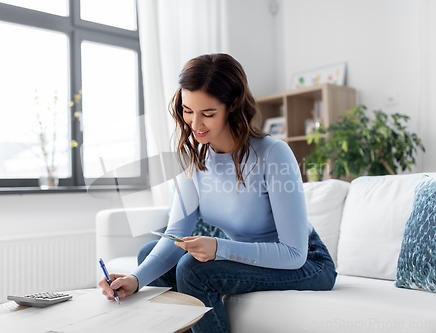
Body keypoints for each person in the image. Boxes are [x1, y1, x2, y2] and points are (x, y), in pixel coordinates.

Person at [99, 53, 337, 333]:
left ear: (232, 108)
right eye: (188, 110)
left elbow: (294, 253)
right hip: (256, 259)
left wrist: (219, 247)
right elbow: (173, 238)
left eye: (208, 113)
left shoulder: (273, 154)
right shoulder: (195, 162)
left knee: (192, 270)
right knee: (148, 253)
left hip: (308, 264)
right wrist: (135, 280)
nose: (195, 124)